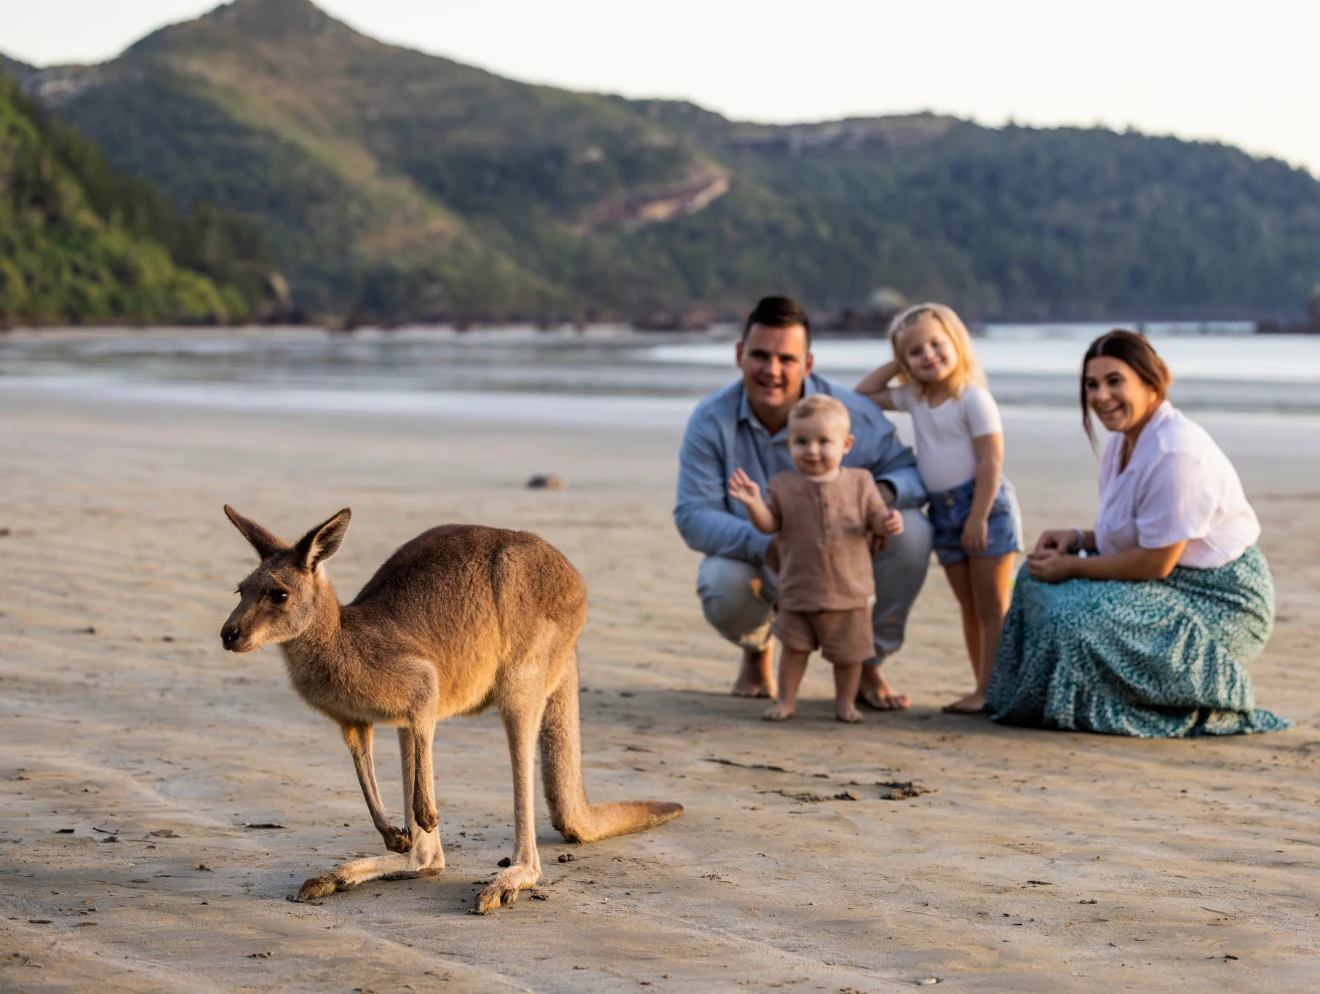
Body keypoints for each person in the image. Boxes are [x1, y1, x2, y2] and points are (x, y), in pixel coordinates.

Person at [985, 329, 1290, 737]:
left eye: (1115, 381)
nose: (1101, 396)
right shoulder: (1123, 440)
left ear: (1151, 382)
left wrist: (1072, 569)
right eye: (1092, 385)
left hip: (1219, 601)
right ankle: (1038, 703)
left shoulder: (1175, 451)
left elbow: (1155, 561)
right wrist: (1078, 539)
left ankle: (1099, 705)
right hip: (1165, 577)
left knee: (1070, 612)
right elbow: (1140, 533)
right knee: (1034, 576)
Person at [674, 295, 932, 708]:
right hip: (765, 557)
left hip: (846, 562)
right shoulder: (710, 421)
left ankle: (867, 660)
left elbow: (914, 472)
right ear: (740, 355)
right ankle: (758, 648)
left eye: (787, 359)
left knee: (913, 531)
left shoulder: (850, 413)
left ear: (808, 364)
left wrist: (879, 498)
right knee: (723, 582)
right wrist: (771, 544)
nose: (772, 370)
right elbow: (693, 515)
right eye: (760, 355)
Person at [855, 303, 1022, 714]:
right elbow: (861, 396)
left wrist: (978, 516)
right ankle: (981, 687)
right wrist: (900, 359)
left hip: (984, 507)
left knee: (992, 607)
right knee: (969, 609)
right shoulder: (915, 396)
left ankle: (992, 691)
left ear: (957, 343)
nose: (928, 355)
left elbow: (990, 461)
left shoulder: (973, 398)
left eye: (936, 344)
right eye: (916, 352)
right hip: (942, 513)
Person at [727, 394, 903, 722]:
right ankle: (787, 700)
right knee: (793, 651)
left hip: (849, 593)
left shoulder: (860, 481)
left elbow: (875, 517)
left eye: (824, 441)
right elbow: (769, 524)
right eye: (801, 442)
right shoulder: (782, 485)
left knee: (849, 658)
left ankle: (845, 703)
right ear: (787, 444)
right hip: (797, 592)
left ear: (846, 444)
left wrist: (889, 521)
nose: (812, 450)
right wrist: (753, 504)